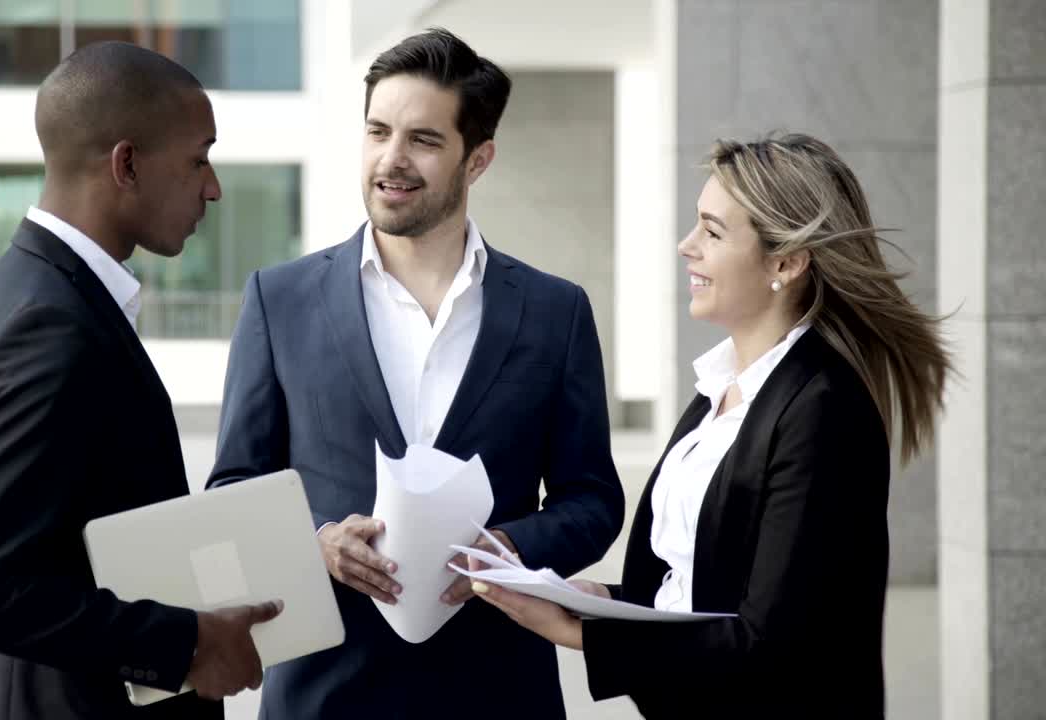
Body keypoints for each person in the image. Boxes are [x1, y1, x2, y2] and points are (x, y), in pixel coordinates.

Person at [207, 27, 625, 720]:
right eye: (377, 132)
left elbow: (592, 499)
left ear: (478, 159)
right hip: (324, 693)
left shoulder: (556, 313)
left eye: (424, 141)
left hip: (498, 692)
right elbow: (234, 488)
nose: (391, 160)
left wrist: (512, 546)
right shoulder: (278, 301)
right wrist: (316, 544)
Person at [472, 133, 952, 718]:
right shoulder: (720, 391)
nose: (685, 246)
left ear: (786, 261)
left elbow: (772, 642)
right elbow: (708, 588)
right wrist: (604, 603)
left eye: (712, 231)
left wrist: (582, 636)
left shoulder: (823, 410)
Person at [0, 41, 281, 720]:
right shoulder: (48, 324)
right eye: (198, 158)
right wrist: (186, 643)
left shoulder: (30, 291)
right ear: (126, 164)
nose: (212, 186)